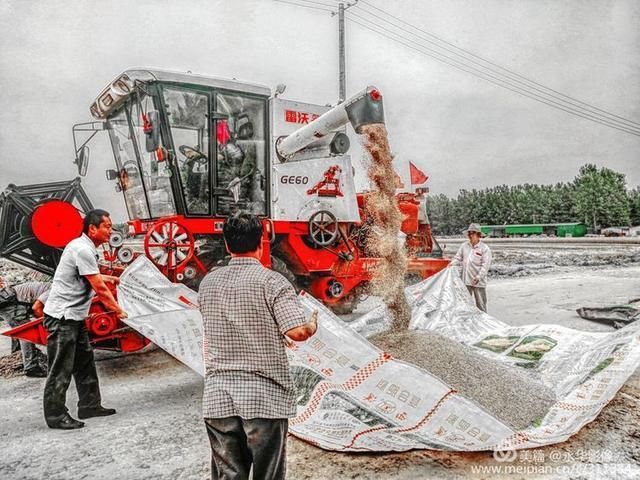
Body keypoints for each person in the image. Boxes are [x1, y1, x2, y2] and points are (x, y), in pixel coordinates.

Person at [198, 213, 318, 480]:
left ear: (227, 245)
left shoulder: (207, 284)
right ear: (262, 243)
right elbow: (297, 332)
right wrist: (311, 324)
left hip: (219, 399)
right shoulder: (273, 282)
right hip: (263, 399)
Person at [42, 209, 127, 430]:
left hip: (74, 316)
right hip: (62, 317)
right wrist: (119, 311)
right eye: (107, 226)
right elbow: (98, 287)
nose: (111, 230)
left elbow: (93, 277)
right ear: (92, 228)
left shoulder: (85, 248)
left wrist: (111, 278)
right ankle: (56, 416)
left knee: (84, 362)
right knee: (60, 367)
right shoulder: (82, 250)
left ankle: (90, 405)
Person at [0, 280, 50, 377]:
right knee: (27, 332)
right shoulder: (54, 291)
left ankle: (17, 354)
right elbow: (36, 308)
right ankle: (31, 367)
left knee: (19, 330)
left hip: (11, 300)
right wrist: (46, 322)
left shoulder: (52, 287)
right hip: (11, 303)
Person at [452, 223, 492, 312]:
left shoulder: (484, 249)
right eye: (469, 233)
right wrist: (452, 264)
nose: (470, 235)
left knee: (480, 305)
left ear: (478, 235)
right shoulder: (464, 246)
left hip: (478, 281)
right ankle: (468, 322)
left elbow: (485, 266)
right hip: (466, 280)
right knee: (465, 304)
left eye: (472, 233)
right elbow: (458, 257)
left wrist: (478, 277)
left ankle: (483, 322)